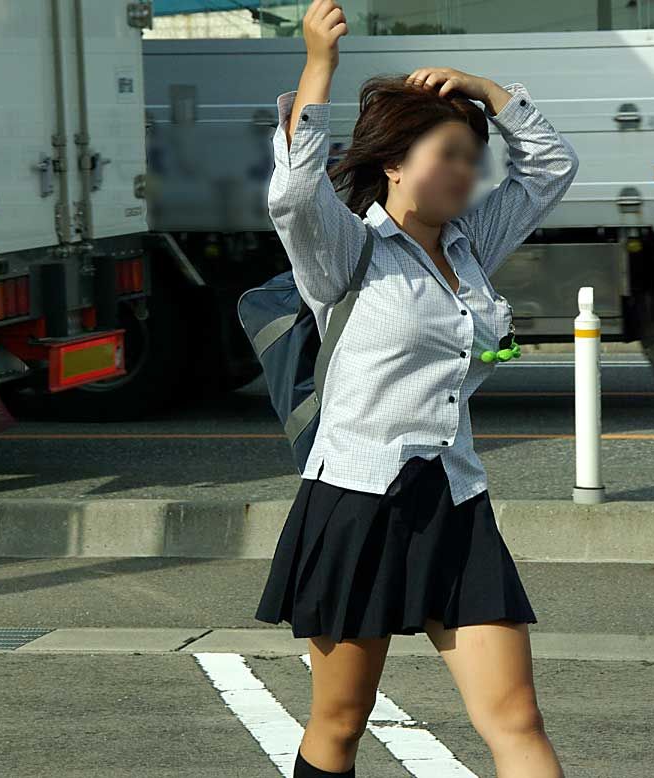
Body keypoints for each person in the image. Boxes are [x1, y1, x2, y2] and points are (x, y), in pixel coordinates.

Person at [253, 2, 579, 777]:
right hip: (357, 502)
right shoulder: (347, 250)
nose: (466, 172)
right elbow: (293, 195)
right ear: (395, 164)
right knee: (340, 722)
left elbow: (550, 166)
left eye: (474, 157)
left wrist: (485, 91)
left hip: (456, 503)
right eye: (448, 154)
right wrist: (319, 65)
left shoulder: (471, 246)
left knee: (517, 718)